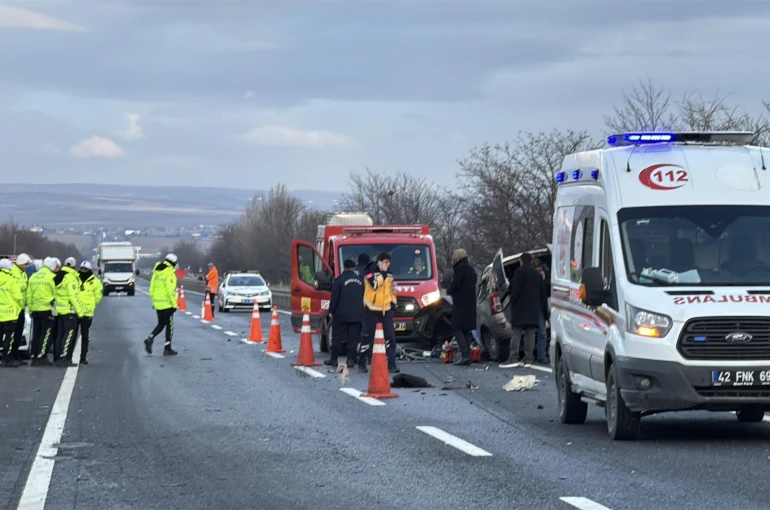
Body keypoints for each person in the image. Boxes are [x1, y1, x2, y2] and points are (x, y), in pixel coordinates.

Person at [500, 252, 549, 368]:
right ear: (531, 261)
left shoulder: (519, 272)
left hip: (520, 308)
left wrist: (513, 301)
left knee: (516, 332)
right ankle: (528, 358)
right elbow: (543, 293)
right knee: (531, 332)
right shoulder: (537, 275)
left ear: (521, 261)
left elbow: (514, 290)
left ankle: (513, 357)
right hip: (533, 308)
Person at [361, 252, 399, 374]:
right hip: (372, 309)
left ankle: (391, 364)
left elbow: (392, 289)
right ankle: (362, 362)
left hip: (386, 310)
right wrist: (382, 273)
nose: (387, 265)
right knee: (367, 337)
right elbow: (375, 285)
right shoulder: (369, 272)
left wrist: (394, 303)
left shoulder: (390, 274)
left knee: (391, 339)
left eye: (388, 263)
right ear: (379, 262)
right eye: (385, 262)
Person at [325, 259, 364, 369]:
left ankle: (333, 360)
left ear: (344, 267)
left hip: (341, 315)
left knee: (337, 337)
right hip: (356, 314)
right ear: (353, 268)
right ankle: (350, 360)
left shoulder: (339, 280)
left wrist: (331, 311)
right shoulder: (360, 281)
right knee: (353, 339)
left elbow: (335, 298)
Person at [446, 249, 478, 366]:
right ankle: (467, 355)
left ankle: (465, 355)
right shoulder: (471, 269)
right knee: (466, 329)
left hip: (461, 303)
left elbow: (456, 285)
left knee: (456, 327)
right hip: (470, 303)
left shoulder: (460, 269)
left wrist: (449, 291)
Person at [27, 257, 59, 366]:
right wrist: (56, 310)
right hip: (47, 310)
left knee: (36, 334)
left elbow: (29, 295)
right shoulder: (53, 277)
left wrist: (31, 309)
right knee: (46, 334)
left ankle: (34, 355)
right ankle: (42, 356)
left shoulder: (33, 277)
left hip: (35, 310)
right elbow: (56, 295)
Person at [145, 253, 179, 356]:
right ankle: (167, 348)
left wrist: (154, 302)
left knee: (161, 324)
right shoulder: (169, 273)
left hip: (158, 304)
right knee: (170, 326)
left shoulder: (156, 272)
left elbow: (151, 289)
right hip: (168, 304)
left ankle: (150, 338)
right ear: (173, 263)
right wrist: (174, 305)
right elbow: (170, 291)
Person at [53, 257, 85, 367]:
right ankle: (65, 357)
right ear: (74, 266)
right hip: (69, 311)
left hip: (60, 310)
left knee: (60, 335)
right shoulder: (71, 278)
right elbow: (73, 296)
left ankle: (57, 357)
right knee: (69, 335)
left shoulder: (58, 276)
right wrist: (80, 313)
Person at [77, 261, 103, 365]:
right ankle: (67, 356)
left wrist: (91, 305)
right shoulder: (75, 278)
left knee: (85, 335)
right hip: (75, 311)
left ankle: (83, 357)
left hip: (87, 313)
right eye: (82, 269)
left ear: (89, 270)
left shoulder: (95, 282)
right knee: (73, 335)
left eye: (85, 269)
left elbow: (98, 296)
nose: (83, 271)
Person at [0, 258, 24, 367]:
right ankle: (6, 359)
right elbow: (18, 297)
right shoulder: (12, 280)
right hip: (10, 314)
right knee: (9, 338)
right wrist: (19, 308)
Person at [11, 253, 31, 364]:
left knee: (18, 333)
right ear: (21, 263)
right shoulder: (14, 273)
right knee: (14, 333)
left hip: (21, 307)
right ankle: (12, 355)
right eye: (26, 264)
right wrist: (25, 284)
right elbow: (16, 287)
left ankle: (16, 355)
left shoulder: (22, 273)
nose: (27, 266)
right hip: (15, 308)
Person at [532, 258, 549, 364]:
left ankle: (541, 354)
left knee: (542, 332)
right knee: (531, 332)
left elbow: (547, 289)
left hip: (540, 306)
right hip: (532, 306)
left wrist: (543, 279)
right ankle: (533, 354)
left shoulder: (544, 277)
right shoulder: (530, 277)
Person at [354, 253, 370, 364]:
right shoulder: (368, 273)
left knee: (354, 332)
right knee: (366, 332)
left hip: (353, 305)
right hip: (366, 305)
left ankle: (353, 355)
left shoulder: (353, 272)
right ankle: (366, 355)